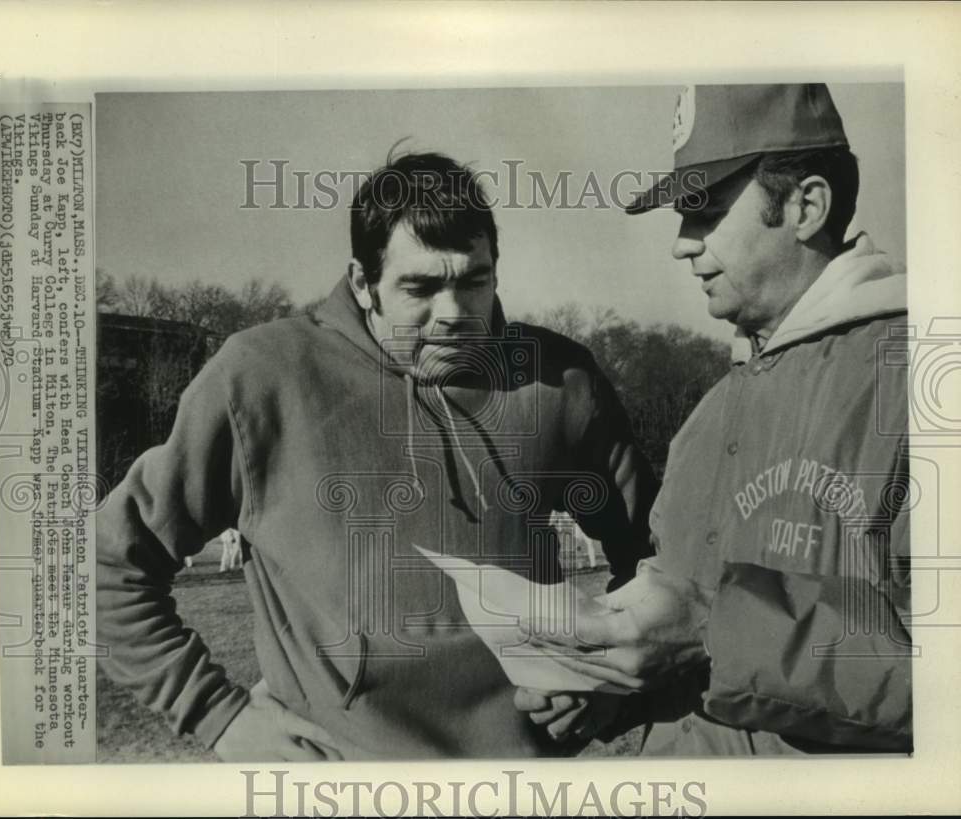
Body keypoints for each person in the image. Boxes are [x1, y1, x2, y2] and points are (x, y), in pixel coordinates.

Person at [97, 151, 657, 760]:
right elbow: (106, 565)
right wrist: (215, 713)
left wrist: (605, 682)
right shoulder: (261, 376)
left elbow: (660, 565)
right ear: (363, 283)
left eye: (475, 281)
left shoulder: (559, 380)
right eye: (420, 287)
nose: (455, 315)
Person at [519, 84, 912, 754]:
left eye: (703, 213)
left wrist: (712, 632)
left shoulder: (920, 378)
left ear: (805, 205)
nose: (681, 244)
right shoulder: (707, 418)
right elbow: (676, 646)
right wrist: (606, 684)